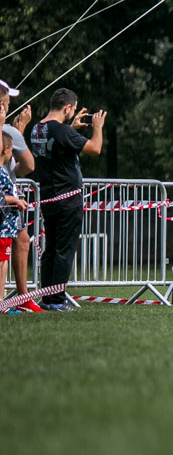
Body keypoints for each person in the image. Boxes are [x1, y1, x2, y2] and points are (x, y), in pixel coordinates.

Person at [29, 88, 106, 310]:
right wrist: (97, 127)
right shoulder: (62, 131)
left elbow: (56, 146)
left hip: (49, 198)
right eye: (73, 108)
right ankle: (57, 301)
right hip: (68, 199)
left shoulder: (37, 128)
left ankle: (47, 298)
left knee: (51, 250)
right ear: (67, 108)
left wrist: (71, 128)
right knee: (64, 251)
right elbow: (95, 148)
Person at [1, 83, 36, 309]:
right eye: (7, 100)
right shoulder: (9, 133)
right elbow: (28, 165)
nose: (9, 103)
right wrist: (20, 129)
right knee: (12, 247)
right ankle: (21, 298)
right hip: (5, 201)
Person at [0, 132, 29, 311]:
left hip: (6, 229)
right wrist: (16, 201)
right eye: (12, 151)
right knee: (1, 263)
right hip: (2, 228)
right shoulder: (1, 173)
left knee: (3, 263)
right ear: (5, 149)